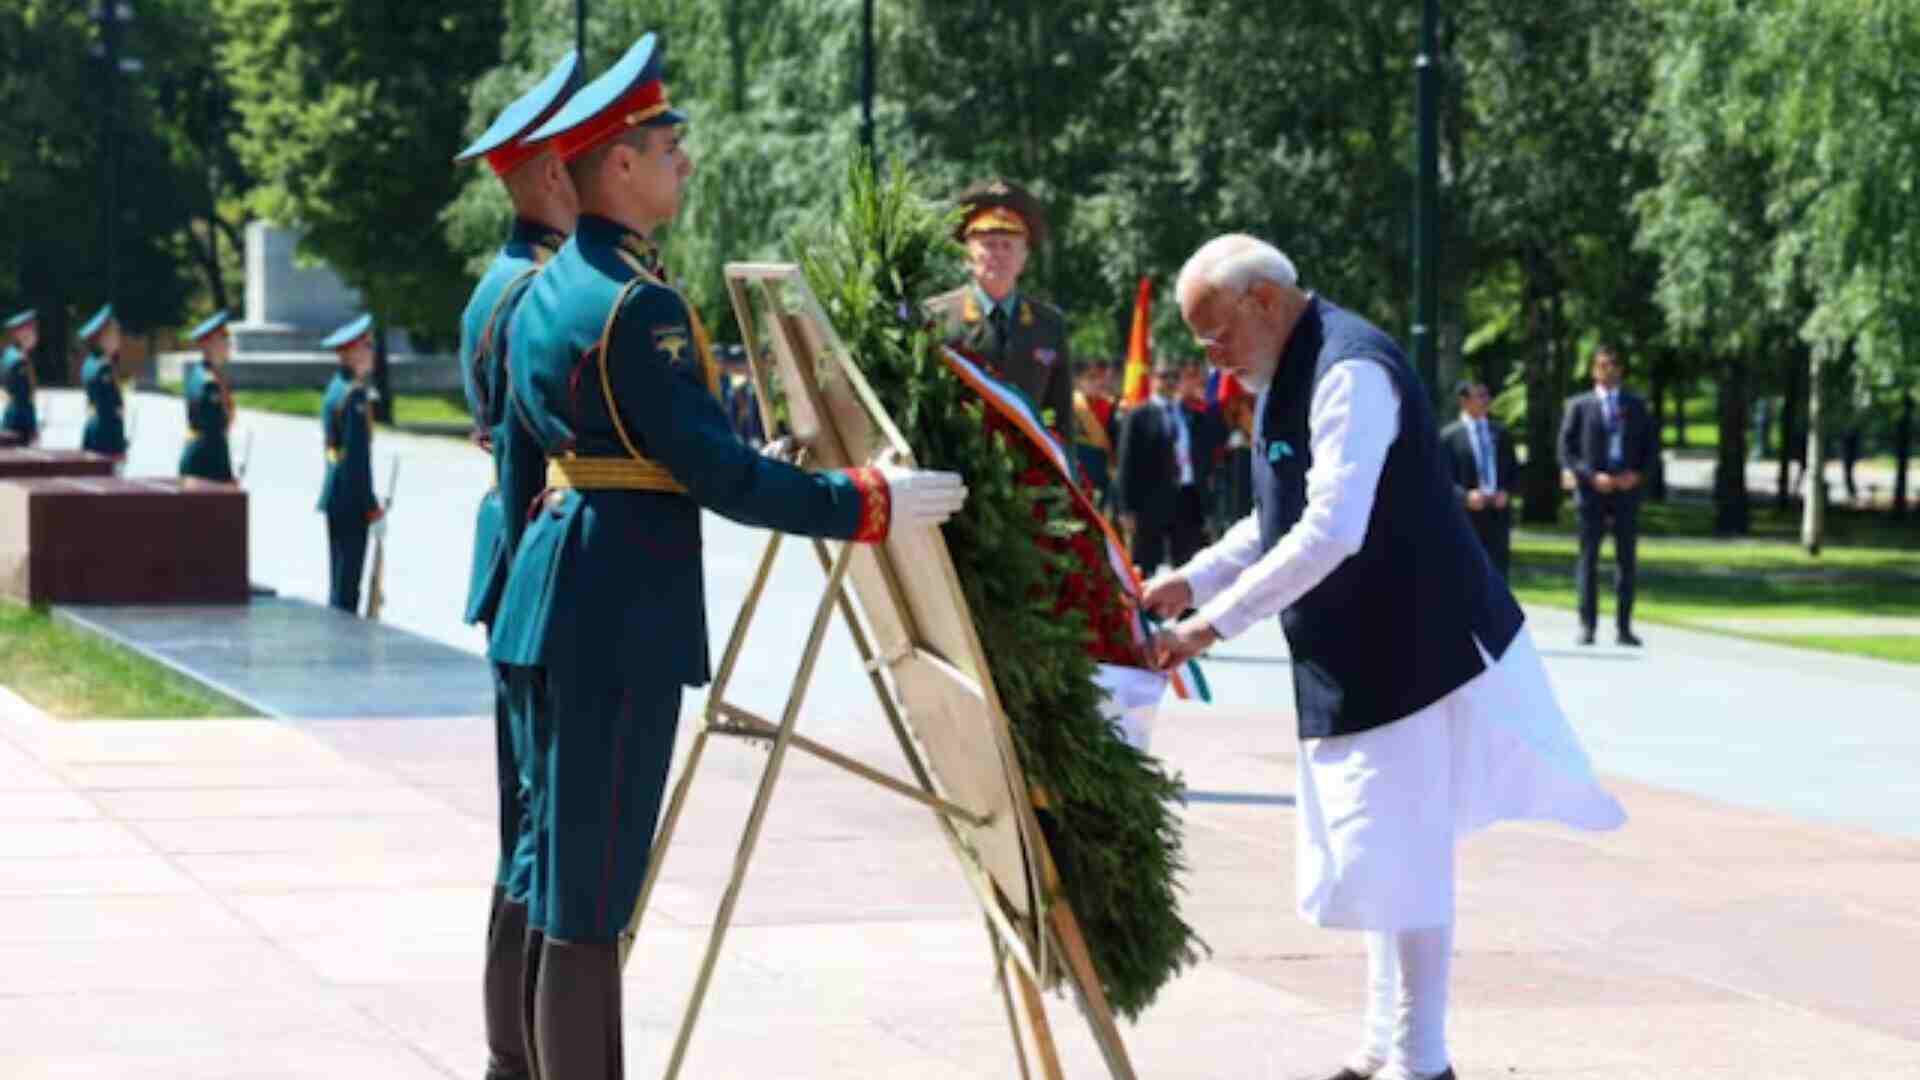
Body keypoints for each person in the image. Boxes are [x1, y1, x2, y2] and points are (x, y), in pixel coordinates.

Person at [483, 35, 966, 1079]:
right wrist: (864, 501)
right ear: (620, 163)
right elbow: (719, 476)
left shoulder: (547, 290)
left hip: (549, 599)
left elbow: (529, 466)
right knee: (593, 884)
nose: (685, 166)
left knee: (547, 860)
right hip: (614, 614)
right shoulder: (638, 305)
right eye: (669, 148)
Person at [1144, 234, 1625, 1080]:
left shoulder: (1348, 370)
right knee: (1379, 861)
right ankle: (1381, 1051)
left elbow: (1332, 527)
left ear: (1262, 299)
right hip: (1361, 653)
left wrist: (1208, 627)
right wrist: (1188, 580)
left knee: (1403, 858)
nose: (1209, 354)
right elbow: (1273, 515)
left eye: (1215, 331)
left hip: (1416, 646)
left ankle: (1422, 1062)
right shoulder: (1282, 375)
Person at [450, 48, 582, 1080]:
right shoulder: (534, 287)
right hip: (541, 553)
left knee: (528, 821)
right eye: (575, 163)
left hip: (516, 550)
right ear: (543, 177)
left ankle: (512, 1051)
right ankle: (517, 1054)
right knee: (541, 827)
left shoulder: (504, 280)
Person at [924, 178, 1075, 445]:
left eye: (1008, 245)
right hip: (955, 470)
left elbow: (1062, 418)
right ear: (967, 255)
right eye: (989, 244)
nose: (998, 254)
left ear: (1024, 258)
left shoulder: (1049, 325)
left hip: (1028, 476)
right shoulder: (937, 318)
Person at [1558, 345, 1655, 646]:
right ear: (1593, 371)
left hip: (1626, 492)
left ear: (1620, 370)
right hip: (1592, 492)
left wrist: (1636, 475)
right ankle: (1588, 626)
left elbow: (1651, 448)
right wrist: (1589, 476)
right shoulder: (1579, 405)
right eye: (1602, 365)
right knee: (1589, 559)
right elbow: (1566, 450)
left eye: (1613, 365)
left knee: (1626, 560)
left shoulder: (1636, 405)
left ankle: (1624, 627)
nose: (1608, 370)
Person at [317, 314, 381, 614]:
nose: (372, 352)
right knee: (347, 585)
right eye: (367, 346)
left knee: (340, 577)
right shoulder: (353, 395)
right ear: (352, 352)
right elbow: (357, 461)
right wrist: (371, 505)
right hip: (350, 497)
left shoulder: (337, 388)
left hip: (337, 492)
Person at [1116, 357, 1205, 575]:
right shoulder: (1139, 415)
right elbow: (1127, 463)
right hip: (1150, 502)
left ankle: (1187, 610)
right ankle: (1146, 609)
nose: (1170, 382)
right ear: (1153, 379)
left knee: (1187, 564)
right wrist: (1126, 508)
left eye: (1175, 377)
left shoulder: (1189, 413)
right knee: (1146, 564)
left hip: (1185, 497)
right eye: (1164, 376)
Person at [1438, 380, 1518, 579]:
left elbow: (1514, 471)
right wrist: (1465, 497)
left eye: (1487, 395)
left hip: (1497, 514)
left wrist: (1506, 492)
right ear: (1464, 401)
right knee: (1466, 574)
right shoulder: (1449, 437)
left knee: (1498, 574)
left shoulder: (1500, 433)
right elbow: (1441, 478)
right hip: (1466, 516)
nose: (1486, 401)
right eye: (1479, 396)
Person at [179, 311, 238, 483]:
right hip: (205, 466)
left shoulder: (203, 374)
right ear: (208, 344)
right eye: (224, 340)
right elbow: (215, 435)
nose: (229, 345)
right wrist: (226, 476)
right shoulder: (209, 384)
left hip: (199, 461)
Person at [1180, 359, 1229, 540]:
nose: (1195, 382)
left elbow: (1219, 435)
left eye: (1197, 376)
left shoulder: (1209, 409)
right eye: (1188, 377)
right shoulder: (1174, 409)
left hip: (1207, 477)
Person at [76, 305, 129, 464]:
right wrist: (119, 443)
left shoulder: (90, 363)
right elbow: (112, 409)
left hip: (94, 429)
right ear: (102, 337)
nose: (118, 337)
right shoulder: (104, 367)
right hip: (106, 435)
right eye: (114, 333)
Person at [1072, 360, 1116, 506]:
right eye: (1091, 378)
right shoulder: (1071, 406)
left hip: (1102, 479)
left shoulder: (1111, 407)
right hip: (1077, 476)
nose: (1098, 382)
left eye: (1100, 378)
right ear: (1078, 381)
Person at [2, 309, 40, 445]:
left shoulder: (9, 355)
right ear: (19, 334)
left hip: (11, 416)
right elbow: (24, 397)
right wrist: (33, 425)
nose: (35, 335)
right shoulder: (19, 361)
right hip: (20, 421)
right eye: (31, 330)